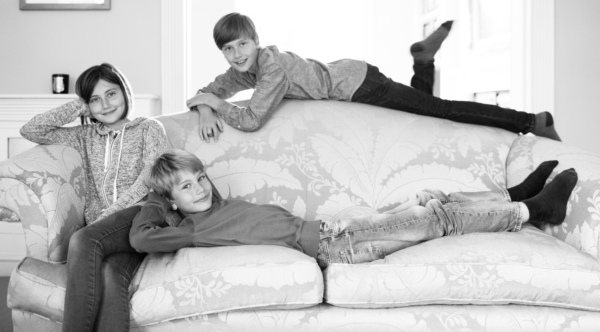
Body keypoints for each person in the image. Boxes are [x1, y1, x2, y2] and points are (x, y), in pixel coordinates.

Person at [129, 149, 576, 270]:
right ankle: (532, 211)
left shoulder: (220, 207)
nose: (201, 189)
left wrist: (177, 187)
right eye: (186, 188)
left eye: (201, 177)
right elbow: (140, 237)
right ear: (172, 201)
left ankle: (508, 193)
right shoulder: (193, 229)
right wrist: (156, 196)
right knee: (434, 219)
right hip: (335, 245)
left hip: (334, 227)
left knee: (426, 200)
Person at [186, 12, 560, 143]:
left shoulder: (270, 67)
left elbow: (251, 119)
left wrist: (215, 105)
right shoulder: (245, 67)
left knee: (440, 110)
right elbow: (207, 91)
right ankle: (423, 60)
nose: (236, 54)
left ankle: (533, 121)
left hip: (361, 85)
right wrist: (205, 108)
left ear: (255, 41)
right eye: (228, 49)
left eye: (242, 44)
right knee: (424, 113)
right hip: (353, 74)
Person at [20, 63, 167, 332]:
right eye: (95, 100)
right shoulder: (86, 136)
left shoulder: (148, 128)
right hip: (109, 231)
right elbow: (32, 130)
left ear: (124, 92)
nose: (106, 104)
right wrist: (76, 107)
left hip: (140, 215)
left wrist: (106, 217)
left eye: (111, 94)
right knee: (111, 276)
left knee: (82, 239)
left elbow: (149, 179)